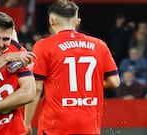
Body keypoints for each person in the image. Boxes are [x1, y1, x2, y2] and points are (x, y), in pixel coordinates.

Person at [23, 1, 120, 135]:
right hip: (89, 126)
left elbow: (37, 87)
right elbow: (114, 82)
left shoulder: (43, 46)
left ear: (51, 21)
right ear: (77, 21)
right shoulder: (99, 45)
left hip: (55, 126)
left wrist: (27, 123)